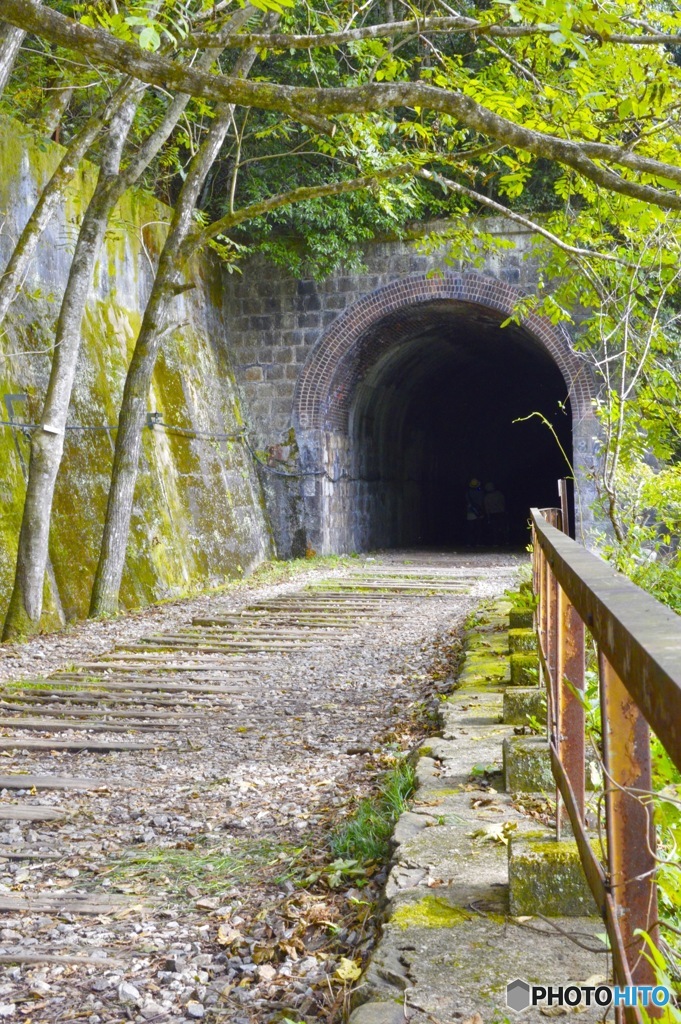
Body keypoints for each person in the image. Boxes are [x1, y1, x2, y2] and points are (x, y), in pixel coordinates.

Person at [465, 478, 485, 545]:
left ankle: (470, 543)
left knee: (470, 529)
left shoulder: (468, 493)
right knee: (479, 528)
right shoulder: (481, 493)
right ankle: (478, 542)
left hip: (470, 511)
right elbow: (482, 502)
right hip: (479, 511)